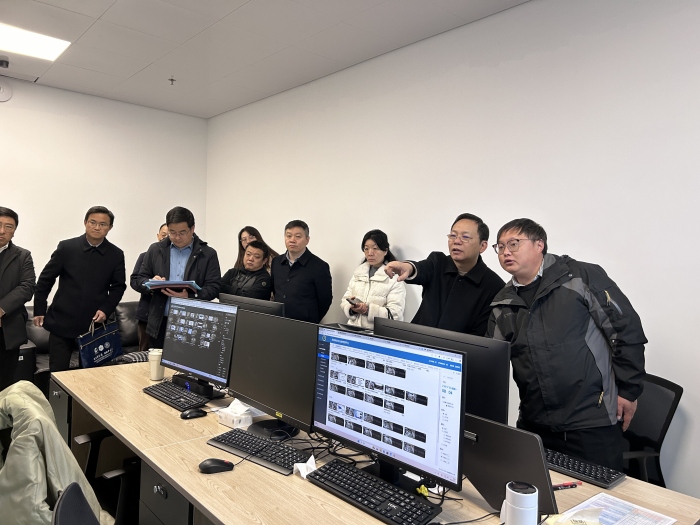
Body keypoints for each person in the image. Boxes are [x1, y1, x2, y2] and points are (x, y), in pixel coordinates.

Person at [486, 218, 647, 470]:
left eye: (514, 244)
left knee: (598, 492)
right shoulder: (502, 303)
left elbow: (626, 329)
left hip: (590, 421)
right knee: (536, 491)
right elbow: (490, 361)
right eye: (501, 247)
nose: (506, 252)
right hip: (535, 422)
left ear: (539, 244)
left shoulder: (580, 277)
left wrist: (628, 390)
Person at [34, 206, 126, 372]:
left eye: (103, 224)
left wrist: (106, 309)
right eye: (93, 222)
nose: (97, 227)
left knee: (92, 375)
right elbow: (45, 279)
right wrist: (39, 309)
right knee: (58, 374)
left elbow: (118, 287)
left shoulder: (116, 254)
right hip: (62, 322)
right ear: (85, 223)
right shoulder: (67, 247)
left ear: (110, 227)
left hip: (94, 325)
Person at [384, 213, 504, 335]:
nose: (456, 241)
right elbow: (421, 269)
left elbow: (480, 336)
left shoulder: (494, 286)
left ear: (482, 246)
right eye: (453, 235)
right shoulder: (438, 262)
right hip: (417, 341)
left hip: (457, 347)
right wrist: (408, 267)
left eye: (465, 237)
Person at [135, 207, 221, 348]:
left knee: (188, 360)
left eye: (182, 233)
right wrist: (150, 283)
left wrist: (190, 297)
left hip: (192, 322)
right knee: (156, 360)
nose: (177, 237)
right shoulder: (155, 249)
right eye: (172, 232)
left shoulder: (207, 254)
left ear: (192, 229)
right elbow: (139, 279)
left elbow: (214, 287)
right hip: (159, 322)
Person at [0, 207, 36, 390]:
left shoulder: (23, 256)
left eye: (8, 227)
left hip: (7, 329)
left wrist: (1, 309)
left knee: (4, 383)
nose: (2, 231)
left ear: (14, 231)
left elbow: (27, 287)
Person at [340, 230, 405, 330]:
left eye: (375, 248)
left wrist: (368, 310)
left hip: (377, 334)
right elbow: (345, 300)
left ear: (385, 251)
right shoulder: (359, 272)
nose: (370, 253)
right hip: (353, 330)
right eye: (366, 248)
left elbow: (395, 314)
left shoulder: (394, 277)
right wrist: (352, 309)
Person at [271, 220, 332, 323]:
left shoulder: (319, 266)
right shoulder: (276, 262)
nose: (292, 240)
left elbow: (325, 300)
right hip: (278, 322)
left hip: (304, 325)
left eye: (298, 236)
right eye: (289, 236)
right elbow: (275, 291)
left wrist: (311, 319)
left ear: (307, 240)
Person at [130, 223, 169, 353]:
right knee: (145, 353)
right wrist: (150, 284)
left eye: (169, 235)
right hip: (147, 314)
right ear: (158, 236)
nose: (166, 238)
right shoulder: (145, 255)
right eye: (163, 235)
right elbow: (134, 280)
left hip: (171, 314)